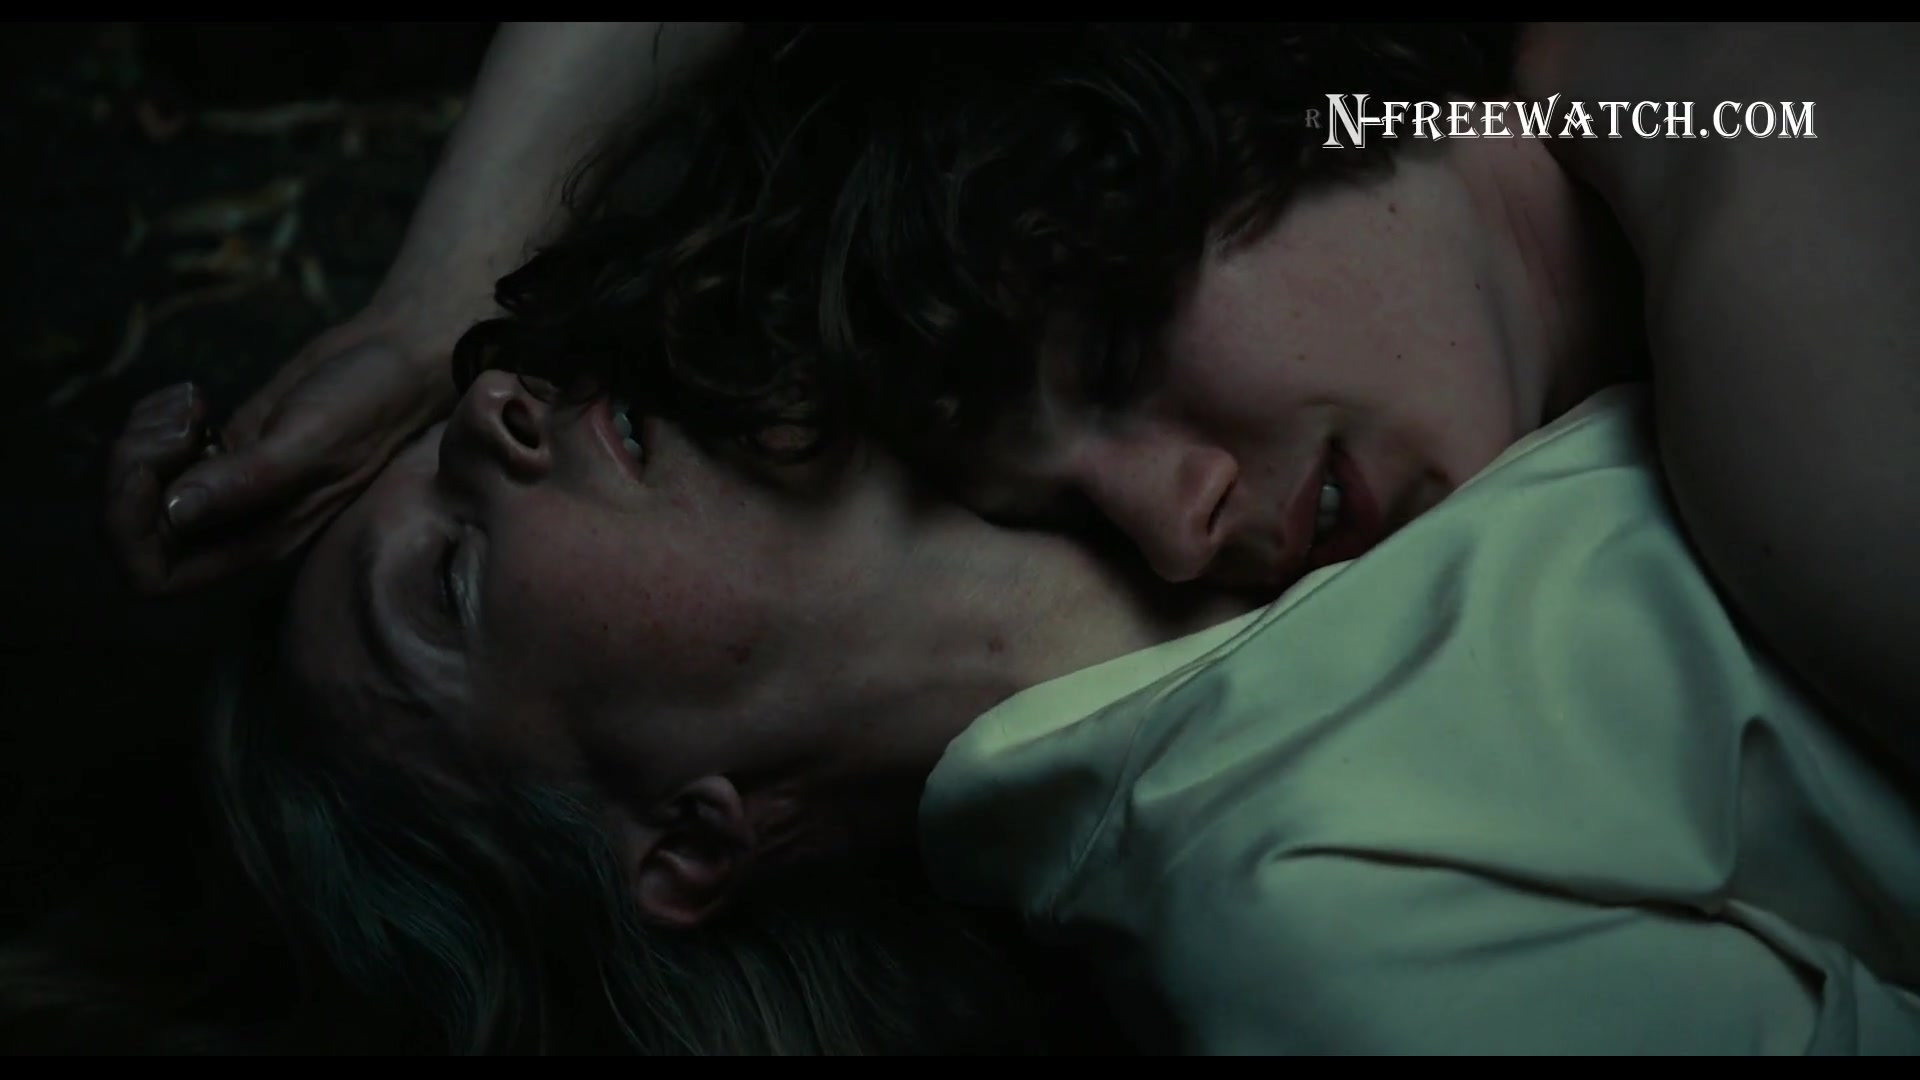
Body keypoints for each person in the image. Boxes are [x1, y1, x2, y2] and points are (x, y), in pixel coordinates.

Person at [100, 24, 1920, 1053]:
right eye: (447, 580)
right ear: (691, 838)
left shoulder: (1157, 260)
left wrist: (438, 291)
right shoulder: (1311, 911)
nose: (493, 410)